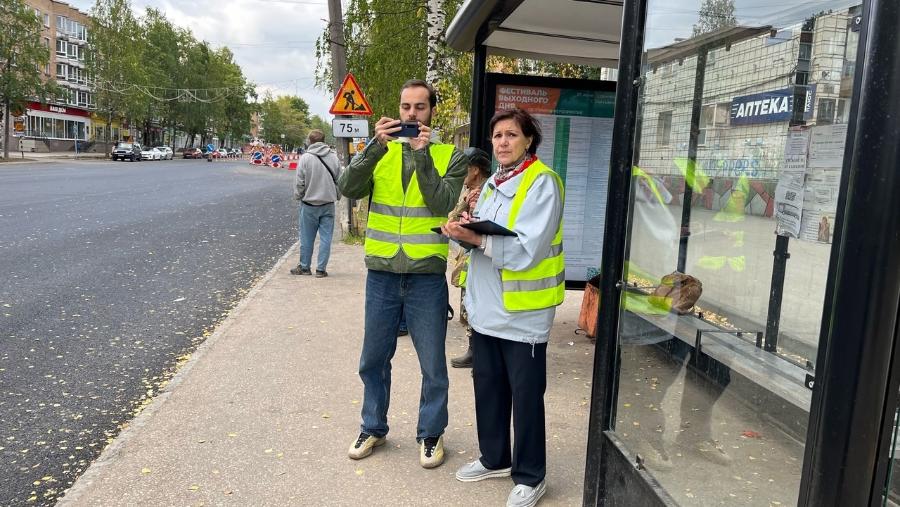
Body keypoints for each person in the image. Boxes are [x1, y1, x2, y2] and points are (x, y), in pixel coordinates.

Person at [338, 79, 468, 468]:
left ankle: (431, 433)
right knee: (373, 359)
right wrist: (373, 147)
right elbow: (348, 187)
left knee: (433, 364)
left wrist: (422, 154)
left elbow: (441, 203)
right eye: (406, 107)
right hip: (382, 273)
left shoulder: (449, 155)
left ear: (432, 111)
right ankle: (372, 427)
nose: (412, 114)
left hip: (425, 275)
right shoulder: (381, 151)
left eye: (420, 107)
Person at [442, 108, 564, 507]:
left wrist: (477, 240)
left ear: (529, 139)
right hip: (488, 308)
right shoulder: (495, 180)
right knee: (489, 388)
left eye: (511, 134)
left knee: (525, 397)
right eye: (497, 136)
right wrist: (462, 230)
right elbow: (487, 234)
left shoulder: (542, 182)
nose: (502, 142)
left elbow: (530, 248)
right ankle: (494, 458)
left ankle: (531, 476)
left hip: (523, 313)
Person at [448, 146, 492, 368]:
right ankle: (474, 352)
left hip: (483, 257)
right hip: (471, 258)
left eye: (463, 168)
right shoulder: (470, 191)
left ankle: (480, 356)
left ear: (475, 170)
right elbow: (452, 219)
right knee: (470, 305)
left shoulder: (486, 192)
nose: (459, 172)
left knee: (479, 306)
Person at [291, 130, 342, 277]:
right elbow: (340, 180)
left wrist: (299, 196)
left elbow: (299, 182)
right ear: (324, 141)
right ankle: (321, 269)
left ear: (310, 141)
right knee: (326, 238)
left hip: (309, 205)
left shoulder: (305, 158)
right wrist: (337, 196)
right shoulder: (333, 157)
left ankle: (305, 267)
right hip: (328, 204)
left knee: (306, 238)